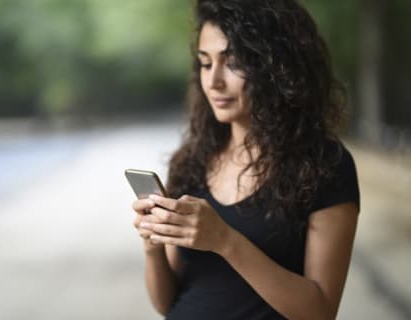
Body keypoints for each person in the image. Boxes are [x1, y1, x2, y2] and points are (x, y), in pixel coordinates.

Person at [131, 0, 360, 319]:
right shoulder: (190, 161)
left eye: (233, 62)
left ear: (277, 65)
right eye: (205, 63)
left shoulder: (326, 165)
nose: (213, 82)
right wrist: (152, 248)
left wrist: (225, 240)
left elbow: (320, 312)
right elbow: (167, 303)